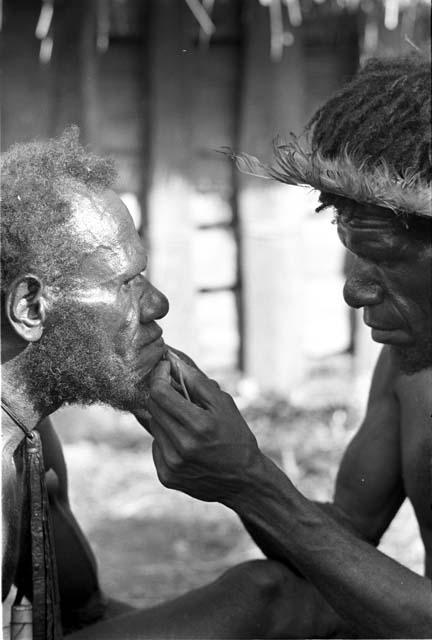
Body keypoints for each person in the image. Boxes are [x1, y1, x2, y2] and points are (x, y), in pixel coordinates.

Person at [142, 55, 432, 638]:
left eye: (385, 254)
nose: (355, 290)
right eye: (352, 249)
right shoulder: (408, 368)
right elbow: (344, 536)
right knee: (264, 594)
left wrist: (253, 482)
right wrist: (233, 468)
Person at [0, 129, 295, 639]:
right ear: (30, 307)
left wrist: (244, 480)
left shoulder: (30, 435)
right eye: (124, 283)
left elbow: (82, 613)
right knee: (272, 600)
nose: (157, 304)